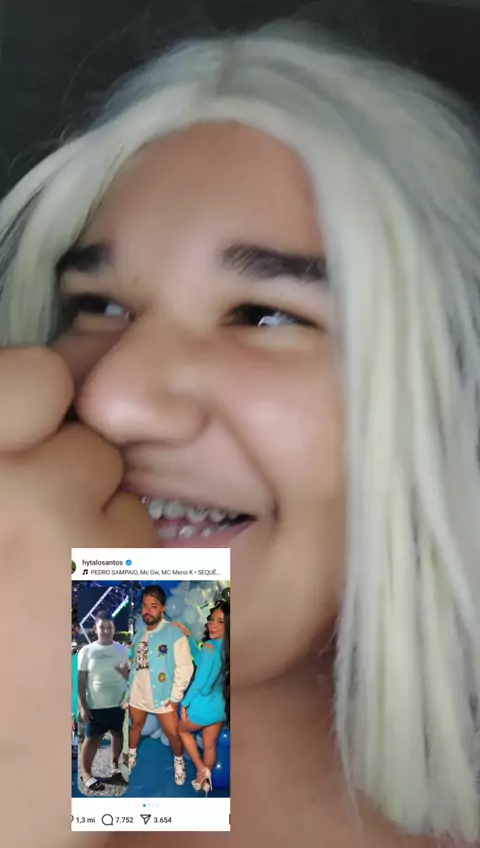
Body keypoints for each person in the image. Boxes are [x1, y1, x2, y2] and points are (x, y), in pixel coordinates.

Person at [1, 20, 480, 848]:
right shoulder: (127, 782)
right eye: (99, 306)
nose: (114, 400)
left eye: (263, 315)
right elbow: (150, 776)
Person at [125, 585, 194, 785]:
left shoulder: (174, 633)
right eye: (144, 606)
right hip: (138, 694)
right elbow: (134, 664)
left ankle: (178, 762)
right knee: (135, 727)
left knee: (173, 735)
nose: (148, 610)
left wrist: (175, 697)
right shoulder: (138, 635)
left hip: (164, 696)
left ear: (163, 608)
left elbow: (185, 667)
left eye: (153, 606)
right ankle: (131, 757)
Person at [172, 601, 230, 795]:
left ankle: (200, 769)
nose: (212, 625)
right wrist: (189, 637)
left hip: (202, 707)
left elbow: (200, 681)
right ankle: (205, 782)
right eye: (212, 620)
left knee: (182, 731)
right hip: (220, 708)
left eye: (221, 622)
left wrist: (184, 703)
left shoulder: (210, 646)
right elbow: (200, 659)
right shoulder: (227, 648)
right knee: (209, 745)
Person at [77, 611, 129, 792]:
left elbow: (129, 676)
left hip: (119, 704)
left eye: (109, 627)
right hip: (96, 706)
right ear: (95, 629)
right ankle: (86, 774)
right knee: (92, 739)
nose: (106, 631)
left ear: (114, 628)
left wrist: (125, 673)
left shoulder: (122, 650)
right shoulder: (86, 651)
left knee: (118, 735)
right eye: (102, 627)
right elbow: (81, 681)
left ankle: (115, 766)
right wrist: (82, 706)